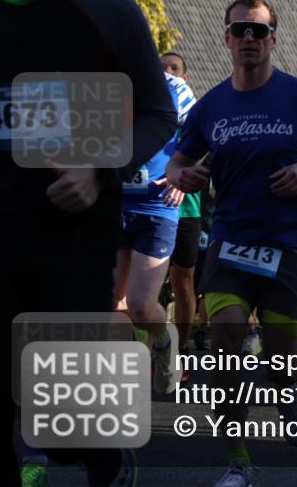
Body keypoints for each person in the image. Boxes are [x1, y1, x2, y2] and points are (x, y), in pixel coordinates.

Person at [0, 0, 176, 487]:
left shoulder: (107, 12)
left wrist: (98, 164)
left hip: (72, 245)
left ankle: (107, 460)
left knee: (71, 424)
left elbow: (156, 116)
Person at [167, 0, 297, 487]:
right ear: (226, 38)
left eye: (258, 31)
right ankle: (238, 460)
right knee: (227, 338)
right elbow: (176, 164)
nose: (248, 38)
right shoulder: (210, 104)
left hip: (289, 243)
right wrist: (186, 176)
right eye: (240, 30)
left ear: (273, 39)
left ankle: (289, 392)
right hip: (231, 240)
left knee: (279, 361)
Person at [113, 68, 196, 394]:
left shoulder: (175, 88)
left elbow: (201, 136)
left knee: (140, 305)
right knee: (112, 301)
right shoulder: (104, 83)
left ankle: (163, 338)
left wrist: (185, 174)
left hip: (156, 206)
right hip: (113, 203)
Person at [160, 52, 205, 368]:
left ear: (185, 78)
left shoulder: (192, 114)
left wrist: (180, 179)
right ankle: (156, 347)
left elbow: (203, 151)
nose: (168, 74)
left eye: (175, 70)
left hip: (186, 206)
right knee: (148, 284)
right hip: (152, 204)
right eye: (163, 69)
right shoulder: (147, 109)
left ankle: (183, 345)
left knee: (183, 281)